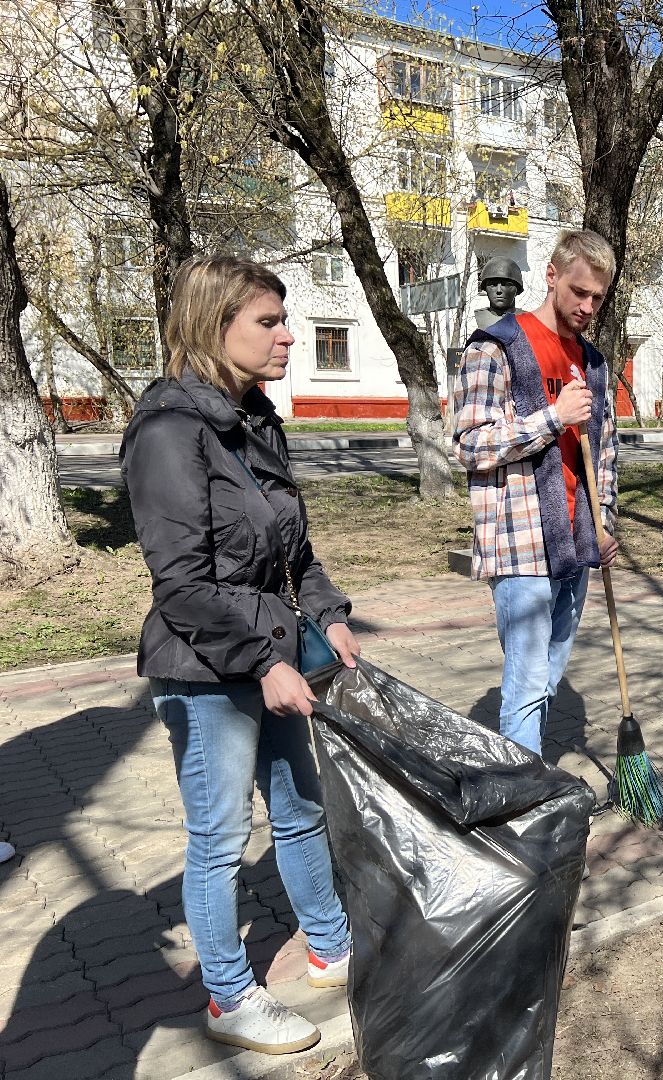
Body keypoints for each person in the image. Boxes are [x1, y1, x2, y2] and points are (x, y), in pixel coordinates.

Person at [119, 256, 357, 1055]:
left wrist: (330, 615)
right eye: (269, 322)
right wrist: (262, 661)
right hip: (205, 669)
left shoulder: (254, 417)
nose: (289, 335)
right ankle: (227, 998)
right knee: (220, 839)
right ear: (213, 324)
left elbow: (296, 553)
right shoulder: (167, 432)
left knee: (300, 811)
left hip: (272, 651)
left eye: (285, 321)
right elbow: (179, 583)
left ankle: (331, 948)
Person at [452, 230, 620, 755]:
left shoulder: (591, 362)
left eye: (598, 297)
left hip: (574, 540)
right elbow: (471, 443)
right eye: (578, 292)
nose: (588, 306)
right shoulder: (496, 347)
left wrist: (605, 521)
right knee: (526, 686)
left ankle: (517, 768)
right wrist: (552, 418)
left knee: (547, 678)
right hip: (521, 543)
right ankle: (521, 805)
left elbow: (606, 450)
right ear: (551, 276)